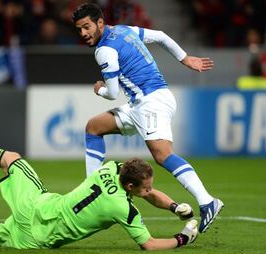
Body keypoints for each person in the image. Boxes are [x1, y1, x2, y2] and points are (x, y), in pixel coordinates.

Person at [0, 107, 198, 250]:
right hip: (38, 239)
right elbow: (151, 244)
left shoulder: (109, 169)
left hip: (36, 207)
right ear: (130, 187)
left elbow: (148, 192)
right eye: (145, 187)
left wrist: (173, 207)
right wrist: (183, 236)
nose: (150, 191)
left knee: (11, 159)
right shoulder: (124, 209)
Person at [71, 3, 223, 233]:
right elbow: (161, 36)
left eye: (86, 27)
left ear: (100, 23)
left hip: (150, 103)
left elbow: (112, 93)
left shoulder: (104, 50)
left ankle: (207, 201)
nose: (83, 33)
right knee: (94, 127)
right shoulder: (124, 30)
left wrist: (99, 88)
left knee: (163, 155)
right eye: (79, 29)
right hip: (146, 102)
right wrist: (185, 58)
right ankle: (91, 186)